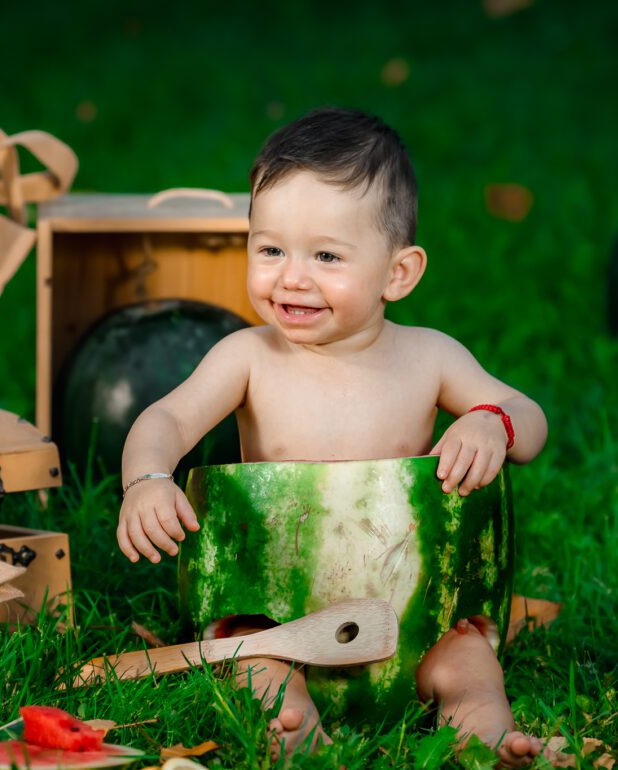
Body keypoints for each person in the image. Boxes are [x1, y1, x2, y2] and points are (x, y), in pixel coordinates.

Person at [117, 107, 548, 767]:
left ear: (398, 274)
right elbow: (166, 419)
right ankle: (297, 728)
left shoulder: (429, 357)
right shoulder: (247, 357)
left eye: (325, 255)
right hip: (277, 615)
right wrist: (147, 479)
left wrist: (492, 419)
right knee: (257, 660)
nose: (292, 276)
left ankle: (482, 735)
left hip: (415, 610)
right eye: (271, 249)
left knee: (469, 663)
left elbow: (527, 415)